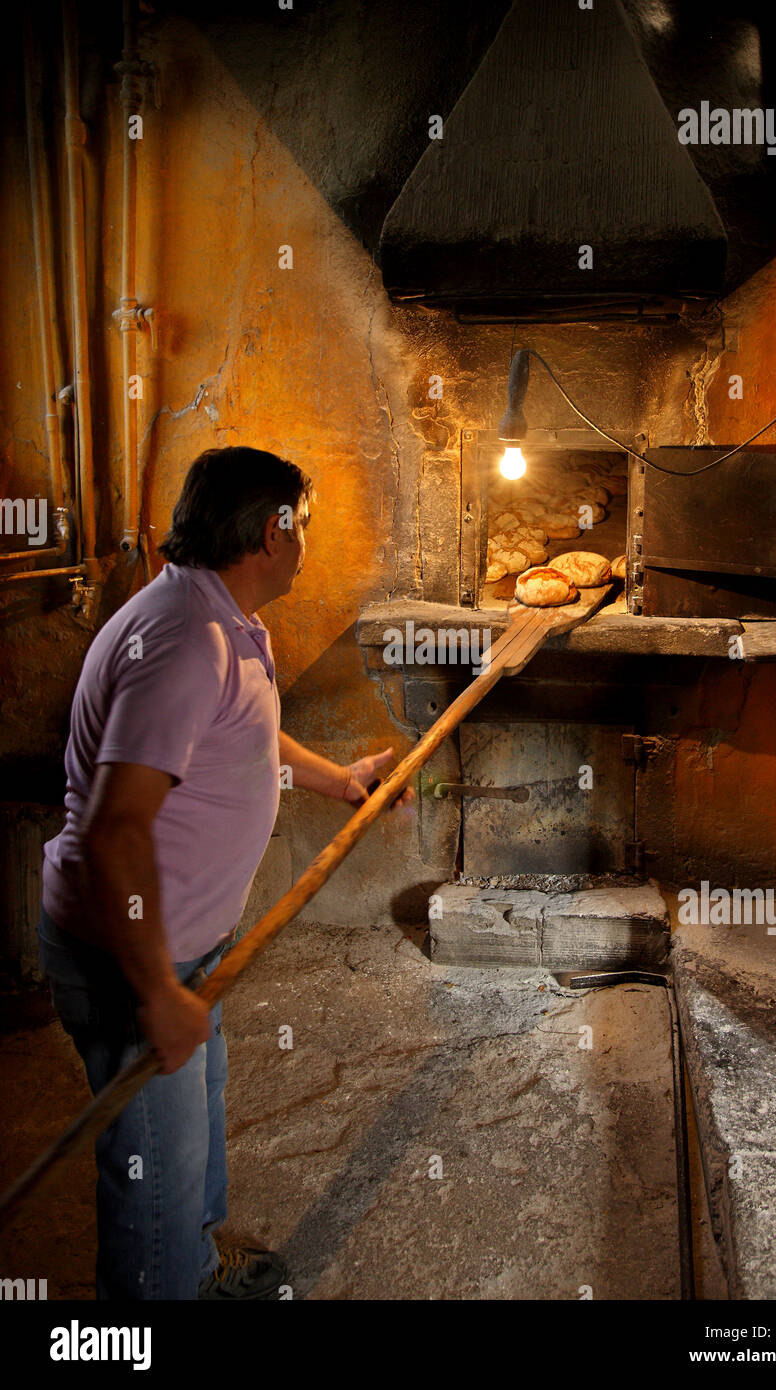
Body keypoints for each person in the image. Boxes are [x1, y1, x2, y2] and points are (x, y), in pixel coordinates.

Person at [37, 445, 413, 1300]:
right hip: (134, 960)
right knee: (153, 1190)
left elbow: (235, 737)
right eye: (303, 525)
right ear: (272, 533)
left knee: (192, 1139)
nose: (307, 542)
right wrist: (158, 993)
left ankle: (199, 1270)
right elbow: (114, 834)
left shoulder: (219, 619)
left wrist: (339, 780)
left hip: (182, 955)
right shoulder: (182, 644)